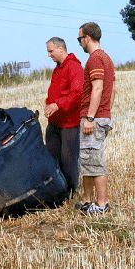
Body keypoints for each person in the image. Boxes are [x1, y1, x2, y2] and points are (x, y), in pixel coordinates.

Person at [75, 22, 115, 215]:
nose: (79, 43)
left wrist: (91, 117)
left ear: (87, 38)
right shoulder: (106, 58)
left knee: (95, 162)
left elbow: (98, 88)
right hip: (102, 115)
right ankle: (87, 200)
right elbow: (113, 89)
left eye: (79, 39)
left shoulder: (95, 59)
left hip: (94, 117)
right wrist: (107, 112)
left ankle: (101, 204)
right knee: (88, 160)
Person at [44, 36, 83, 196]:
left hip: (69, 124)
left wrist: (57, 105)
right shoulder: (57, 69)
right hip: (54, 124)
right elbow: (54, 92)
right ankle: (56, 191)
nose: (49, 55)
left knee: (68, 161)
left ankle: (71, 192)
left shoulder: (74, 67)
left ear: (61, 49)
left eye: (50, 51)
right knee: (52, 158)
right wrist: (48, 103)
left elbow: (77, 93)